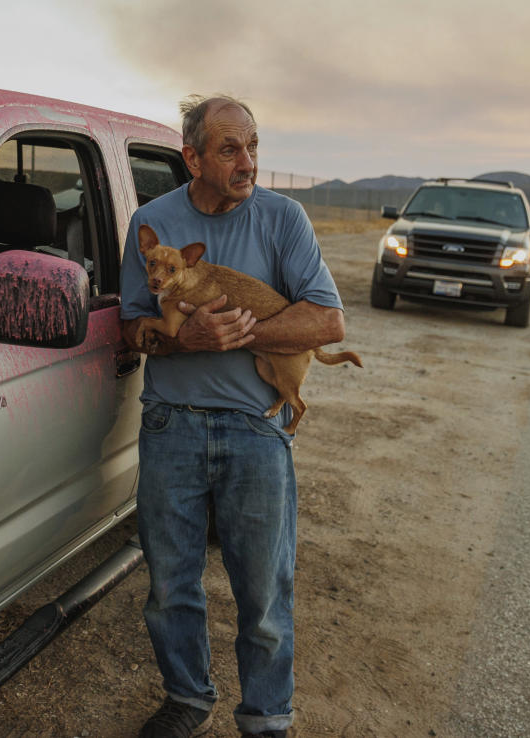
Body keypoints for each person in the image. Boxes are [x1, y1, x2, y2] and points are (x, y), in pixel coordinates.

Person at [120, 95, 347, 738]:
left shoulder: (284, 218)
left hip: (255, 428)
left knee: (265, 594)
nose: (247, 161)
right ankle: (187, 699)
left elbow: (328, 321)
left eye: (252, 146)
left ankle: (267, 717)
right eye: (228, 149)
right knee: (170, 586)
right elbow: (131, 326)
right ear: (191, 157)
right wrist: (180, 341)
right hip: (172, 423)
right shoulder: (153, 225)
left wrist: (238, 332)